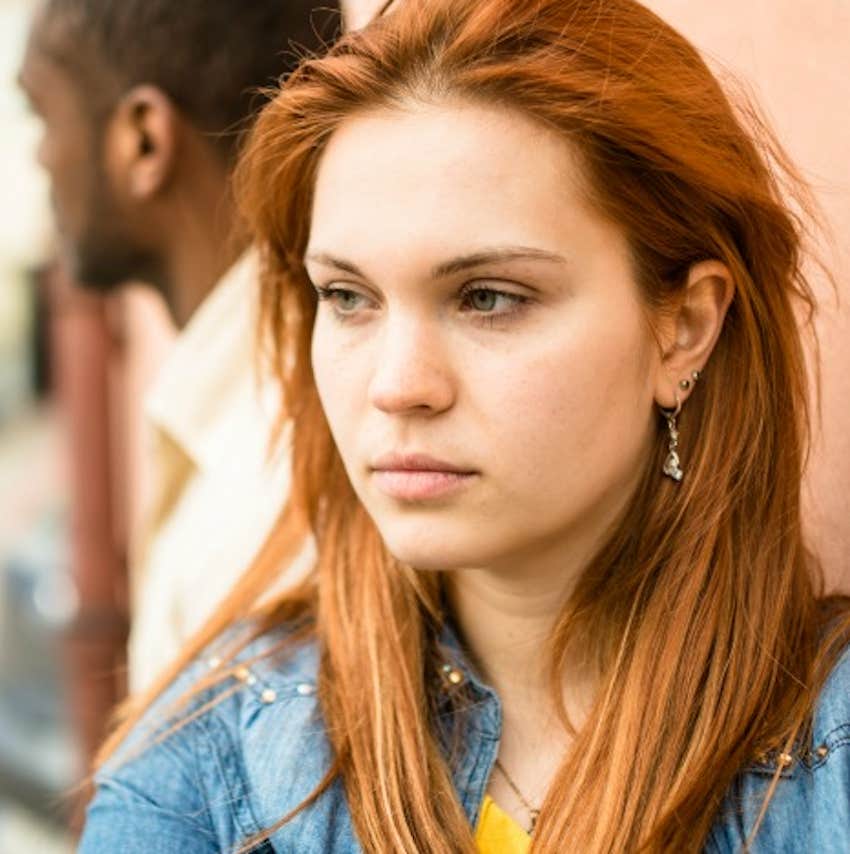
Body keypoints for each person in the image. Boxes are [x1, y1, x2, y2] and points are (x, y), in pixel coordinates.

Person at [79, 0, 850, 851]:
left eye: (489, 297)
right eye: (348, 297)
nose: (398, 386)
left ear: (685, 327)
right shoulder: (213, 771)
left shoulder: (827, 767)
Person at [18, 0, 341, 693]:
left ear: (143, 140)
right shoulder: (248, 403)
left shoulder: (272, 471)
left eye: (43, 115)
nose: (40, 155)